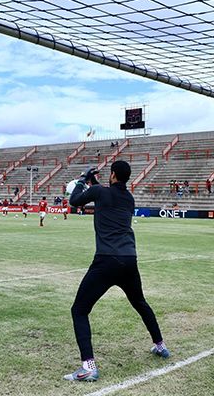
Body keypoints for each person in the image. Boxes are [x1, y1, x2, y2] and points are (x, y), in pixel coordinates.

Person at [65, 162, 169, 382]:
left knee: (79, 310)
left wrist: (83, 179)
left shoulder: (100, 191)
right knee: (140, 303)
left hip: (106, 259)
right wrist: (93, 183)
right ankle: (160, 346)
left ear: (112, 174)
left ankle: (88, 367)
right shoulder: (128, 198)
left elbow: (75, 201)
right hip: (129, 259)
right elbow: (107, 195)